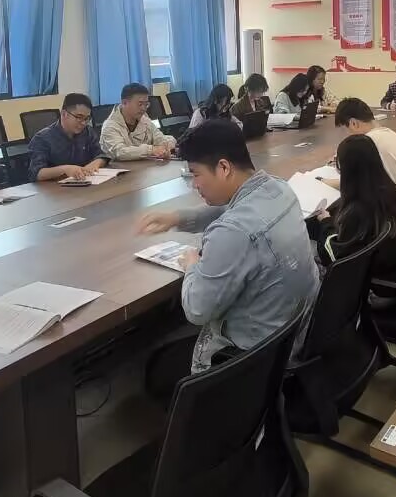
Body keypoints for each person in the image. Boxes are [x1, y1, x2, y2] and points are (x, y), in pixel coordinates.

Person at [136, 120, 320, 391]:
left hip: (254, 360)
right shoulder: (278, 188)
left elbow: (197, 310)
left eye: (196, 174)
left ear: (223, 168)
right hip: (294, 335)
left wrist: (192, 265)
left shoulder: (232, 232)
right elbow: (235, 210)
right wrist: (178, 218)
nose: (194, 185)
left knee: (156, 370)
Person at [321, 133, 396, 279]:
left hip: (376, 282)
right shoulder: (393, 190)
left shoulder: (357, 211)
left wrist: (325, 223)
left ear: (347, 170)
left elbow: (339, 259)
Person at [332, 98, 396, 225]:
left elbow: (352, 183)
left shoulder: (367, 144)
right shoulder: (390, 133)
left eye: (345, 130)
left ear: (353, 123)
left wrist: (322, 181)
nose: (346, 136)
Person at [29, 93, 109, 181]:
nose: (83, 123)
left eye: (87, 118)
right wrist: (65, 169)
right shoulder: (42, 138)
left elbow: (102, 155)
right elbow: (37, 173)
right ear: (64, 114)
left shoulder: (88, 132)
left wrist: (95, 164)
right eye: (79, 117)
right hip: (54, 187)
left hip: (85, 183)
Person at [100, 82, 177, 161]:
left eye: (146, 104)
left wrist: (165, 148)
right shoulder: (110, 126)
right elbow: (120, 152)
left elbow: (160, 138)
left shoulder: (144, 119)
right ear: (124, 103)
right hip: (119, 167)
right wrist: (151, 150)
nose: (144, 108)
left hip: (144, 166)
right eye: (140, 104)